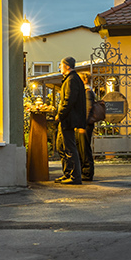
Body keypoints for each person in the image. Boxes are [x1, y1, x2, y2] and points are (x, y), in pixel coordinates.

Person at [55, 56, 85, 184]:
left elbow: (68, 100)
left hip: (68, 119)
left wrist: (60, 115)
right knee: (61, 146)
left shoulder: (71, 80)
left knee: (69, 148)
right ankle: (67, 173)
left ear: (67, 66)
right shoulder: (71, 79)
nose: (59, 67)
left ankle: (74, 176)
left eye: (61, 65)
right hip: (67, 118)